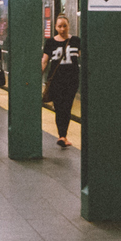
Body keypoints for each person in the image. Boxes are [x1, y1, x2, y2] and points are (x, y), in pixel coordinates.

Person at [42, 13, 81, 148]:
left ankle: (63, 135)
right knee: (59, 108)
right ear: (55, 27)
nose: (62, 29)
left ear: (69, 26)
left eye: (65, 26)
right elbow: (45, 60)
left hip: (72, 80)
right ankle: (62, 135)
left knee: (67, 107)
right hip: (56, 81)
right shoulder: (50, 42)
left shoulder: (76, 41)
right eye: (59, 26)